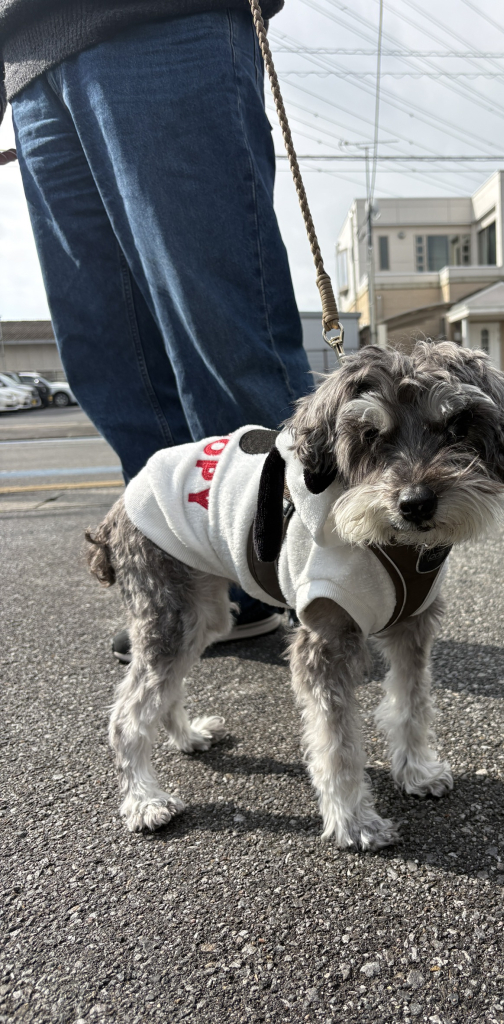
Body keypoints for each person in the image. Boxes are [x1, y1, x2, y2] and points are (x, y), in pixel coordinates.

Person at [1, 1, 312, 657]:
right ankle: (200, 591)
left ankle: (300, 581)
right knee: (111, 358)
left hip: (167, 18)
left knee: (223, 332)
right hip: (28, 60)